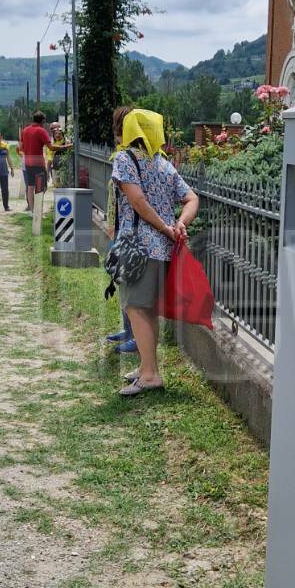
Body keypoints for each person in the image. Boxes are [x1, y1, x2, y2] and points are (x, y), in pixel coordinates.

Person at [111, 108, 199, 397]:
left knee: (136, 307)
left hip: (137, 246)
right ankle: (146, 365)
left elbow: (136, 200)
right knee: (147, 309)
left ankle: (149, 374)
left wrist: (164, 227)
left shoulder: (125, 159)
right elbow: (191, 198)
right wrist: (179, 224)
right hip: (160, 249)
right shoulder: (163, 164)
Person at [105, 105, 137, 355]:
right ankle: (128, 329)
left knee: (130, 284)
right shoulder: (120, 155)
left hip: (129, 228)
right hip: (119, 226)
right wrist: (110, 222)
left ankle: (136, 335)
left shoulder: (131, 158)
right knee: (120, 278)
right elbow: (112, 195)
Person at [19, 109, 52, 211]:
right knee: (42, 187)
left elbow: (21, 148)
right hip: (38, 163)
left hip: (27, 162)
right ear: (42, 121)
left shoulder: (25, 131)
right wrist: (67, 146)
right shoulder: (41, 130)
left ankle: (32, 210)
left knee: (30, 186)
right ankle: (38, 208)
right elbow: (51, 147)